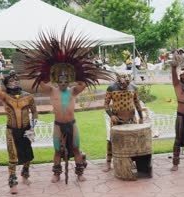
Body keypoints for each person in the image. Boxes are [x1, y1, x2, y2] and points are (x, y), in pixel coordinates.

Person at [18, 28, 113, 183]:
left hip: (71, 124)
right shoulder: (51, 91)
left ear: (69, 80)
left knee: (75, 148)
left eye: (65, 80)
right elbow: (41, 83)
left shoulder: (73, 91)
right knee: (57, 150)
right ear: (56, 80)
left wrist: (75, 70)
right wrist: (50, 70)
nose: (62, 83)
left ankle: (79, 173)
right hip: (58, 125)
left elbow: (83, 83)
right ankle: (56, 174)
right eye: (60, 80)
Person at [0, 71, 37, 194]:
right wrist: (1, 80)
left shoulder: (28, 96)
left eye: (16, 80)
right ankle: (13, 183)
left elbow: (34, 112)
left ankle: (25, 174)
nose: (15, 82)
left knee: (28, 154)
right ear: (6, 84)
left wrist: (32, 127)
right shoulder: (5, 96)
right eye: (12, 81)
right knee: (12, 156)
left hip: (27, 129)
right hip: (11, 130)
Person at [103, 71, 143, 172]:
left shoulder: (134, 88)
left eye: (126, 84)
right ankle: (108, 162)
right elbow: (106, 105)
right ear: (117, 81)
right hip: (117, 120)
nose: (124, 85)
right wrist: (111, 115)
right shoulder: (111, 88)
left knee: (133, 141)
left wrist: (141, 117)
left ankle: (132, 161)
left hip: (131, 119)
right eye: (121, 84)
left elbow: (137, 103)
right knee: (112, 140)